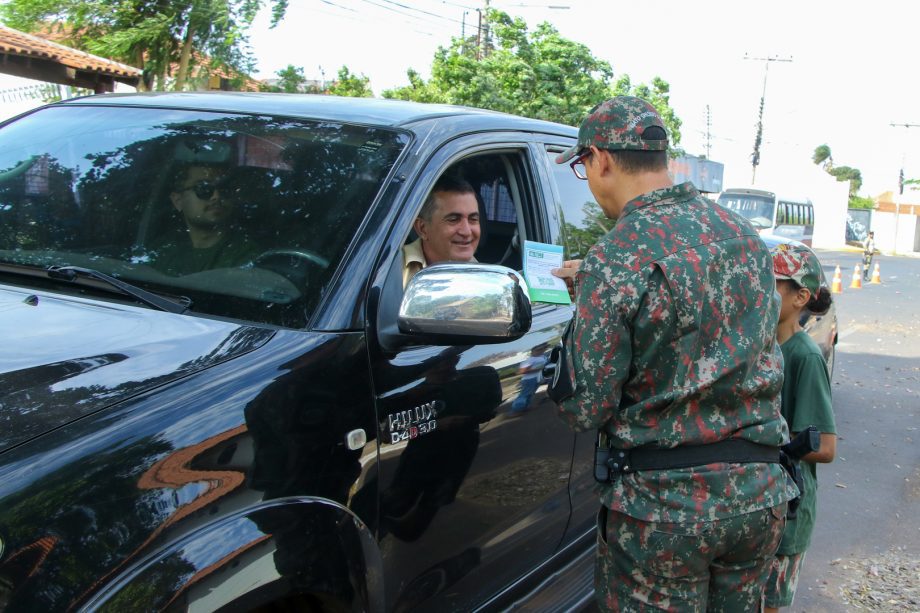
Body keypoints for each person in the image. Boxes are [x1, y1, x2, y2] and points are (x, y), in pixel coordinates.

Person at [550, 96, 798, 611]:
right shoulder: (745, 237)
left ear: (599, 159)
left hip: (666, 513)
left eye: (581, 167)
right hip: (759, 495)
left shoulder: (617, 256)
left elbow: (585, 407)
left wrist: (587, 316)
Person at [765, 243, 837, 612]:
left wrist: (763, 441)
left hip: (787, 511)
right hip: (757, 506)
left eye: (772, 284)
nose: (759, 290)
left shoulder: (804, 356)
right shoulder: (759, 347)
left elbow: (824, 446)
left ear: (800, 297)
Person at [152, 163, 259, 275]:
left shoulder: (247, 256)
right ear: (178, 200)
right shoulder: (161, 250)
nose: (216, 196)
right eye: (203, 188)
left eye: (224, 188)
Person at [402, 174, 480, 287]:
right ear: (422, 228)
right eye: (453, 219)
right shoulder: (390, 271)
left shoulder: (483, 278)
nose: (467, 232)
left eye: (473, 219)